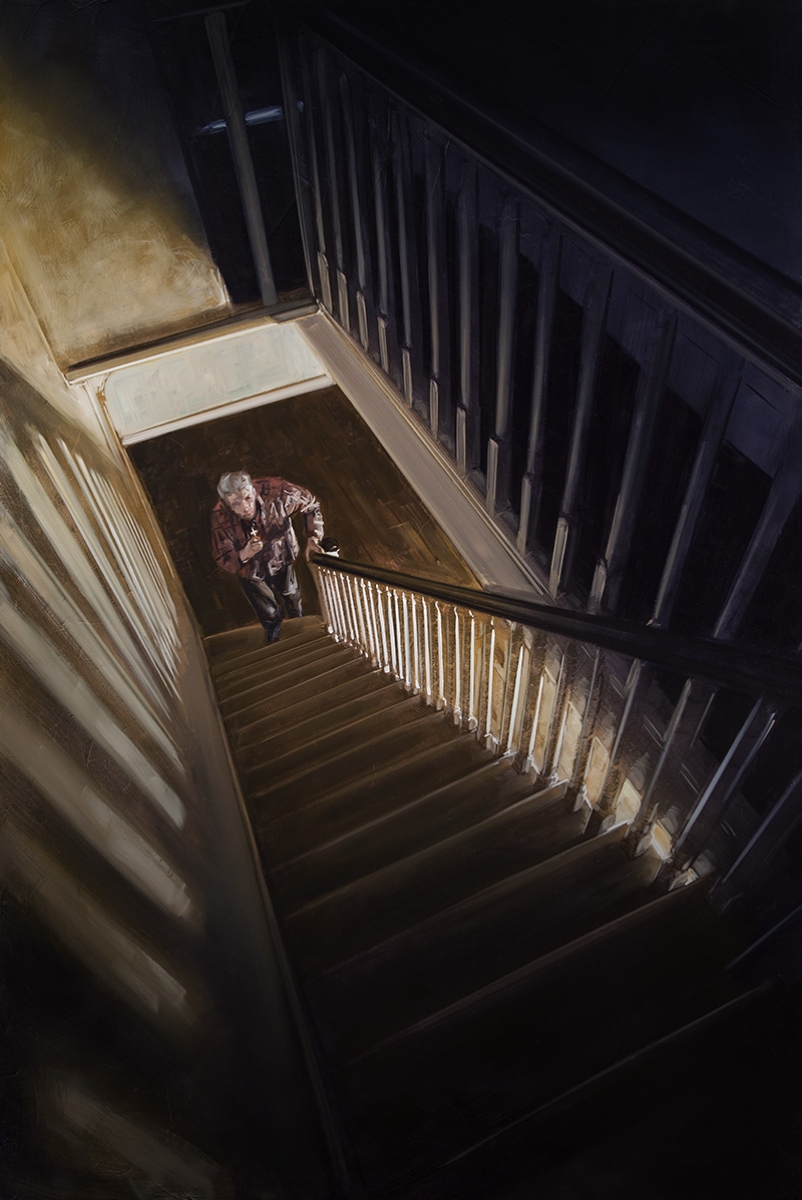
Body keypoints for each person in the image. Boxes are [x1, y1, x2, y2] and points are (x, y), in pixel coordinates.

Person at [211, 470, 324, 644]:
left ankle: (300, 631)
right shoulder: (220, 516)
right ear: (227, 503)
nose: (245, 507)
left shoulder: (277, 491)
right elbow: (223, 557)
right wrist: (245, 553)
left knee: (292, 596)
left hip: (282, 558)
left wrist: (313, 537)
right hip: (250, 572)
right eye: (236, 504)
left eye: (247, 498)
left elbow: (310, 504)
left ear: (253, 490)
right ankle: (274, 639)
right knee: (268, 612)